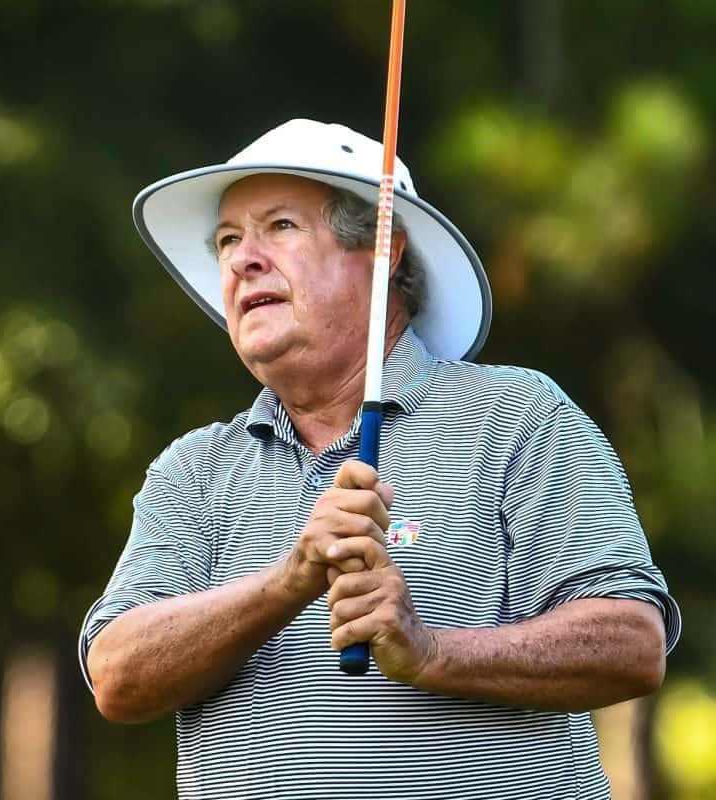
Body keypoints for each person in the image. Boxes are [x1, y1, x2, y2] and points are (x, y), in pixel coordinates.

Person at [78, 120, 681, 800]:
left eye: (279, 227)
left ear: (385, 248)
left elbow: (631, 642)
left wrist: (430, 651)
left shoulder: (517, 417)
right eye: (226, 240)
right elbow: (117, 675)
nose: (243, 258)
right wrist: (288, 582)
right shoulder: (193, 470)